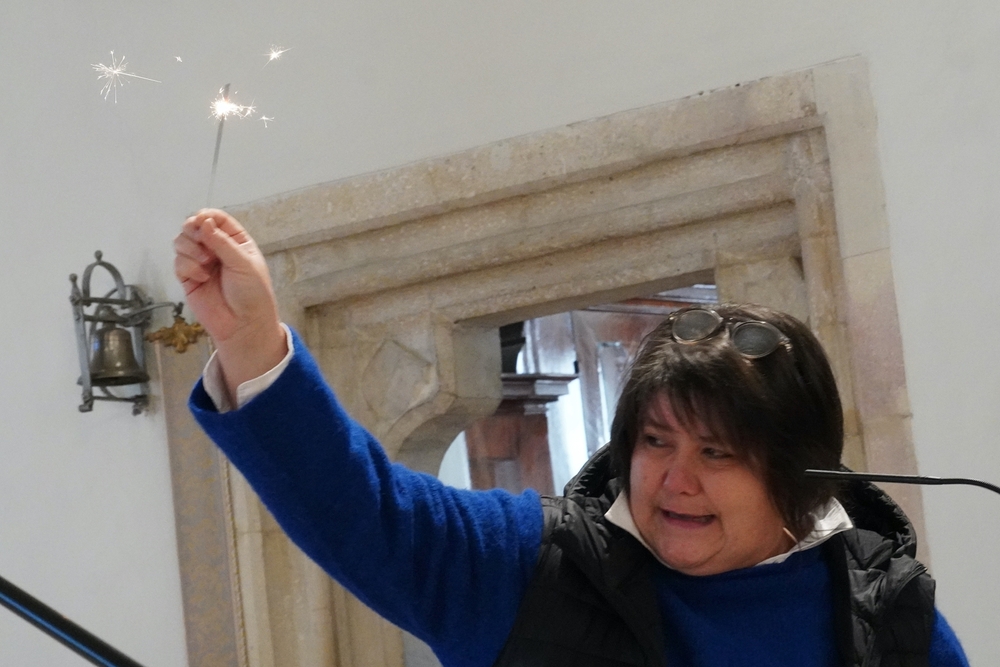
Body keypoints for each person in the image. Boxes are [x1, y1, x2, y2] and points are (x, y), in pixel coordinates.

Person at [174, 208, 970, 667]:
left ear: (800, 472)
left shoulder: (892, 616)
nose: (675, 477)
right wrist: (253, 344)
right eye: (655, 441)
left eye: (716, 451)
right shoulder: (533, 566)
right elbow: (363, 509)